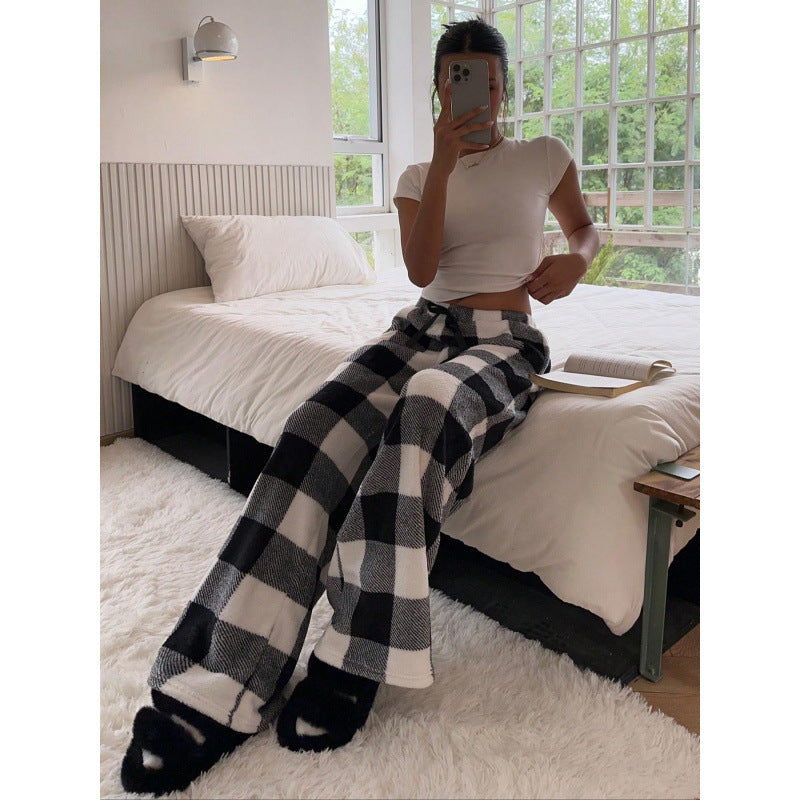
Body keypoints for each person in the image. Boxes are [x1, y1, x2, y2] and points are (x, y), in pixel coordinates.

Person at [120, 17, 598, 796]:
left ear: (505, 87)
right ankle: (224, 668)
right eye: (457, 80)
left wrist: (575, 264)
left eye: (488, 80)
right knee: (311, 430)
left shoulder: (543, 156)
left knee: (427, 406)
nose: (477, 95)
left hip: (504, 338)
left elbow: (583, 232)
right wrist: (443, 163)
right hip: (419, 328)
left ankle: (355, 656)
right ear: (438, 89)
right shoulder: (417, 174)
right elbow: (420, 269)